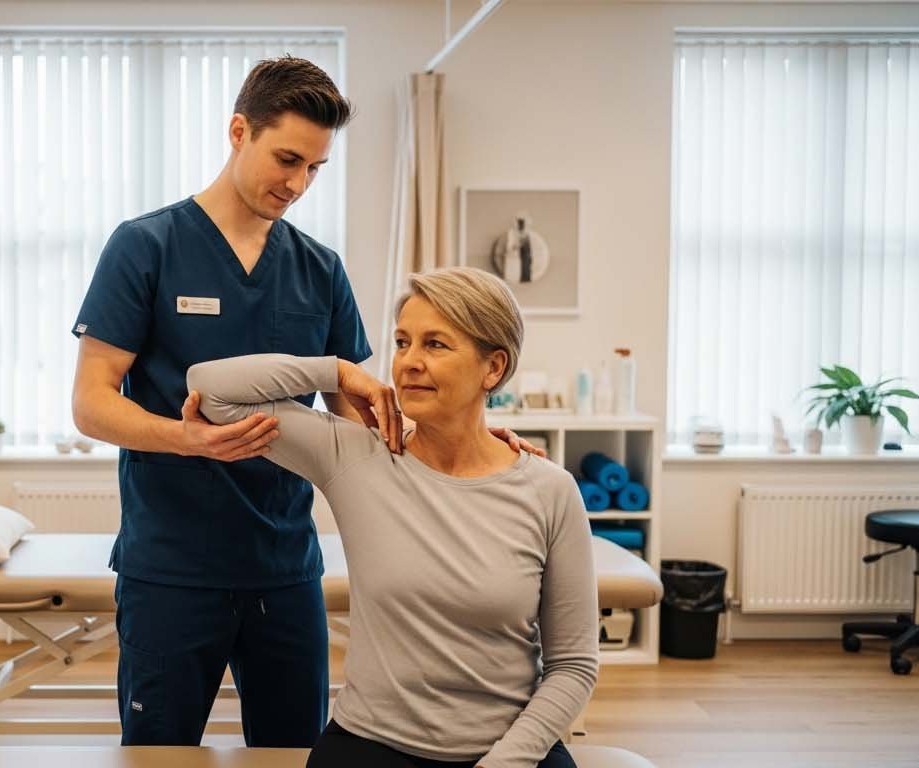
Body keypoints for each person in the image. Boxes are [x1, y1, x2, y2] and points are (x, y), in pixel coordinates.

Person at [71, 57, 539, 748]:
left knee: (295, 757)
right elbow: (90, 404)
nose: (297, 184)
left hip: (285, 568)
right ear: (239, 131)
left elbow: (363, 417)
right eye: (287, 158)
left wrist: (476, 444)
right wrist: (187, 439)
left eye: (315, 168)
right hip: (172, 567)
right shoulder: (147, 247)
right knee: (158, 758)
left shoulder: (318, 269)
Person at [187, 266, 597, 768]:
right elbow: (210, 389)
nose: (409, 363)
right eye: (403, 343)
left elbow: (573, 665)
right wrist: (336, 371)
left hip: (508, 750)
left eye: (436, 345)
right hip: (371, 745)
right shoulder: (356, 457)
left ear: (493, 368)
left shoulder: (551, 491)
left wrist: (506, 761)